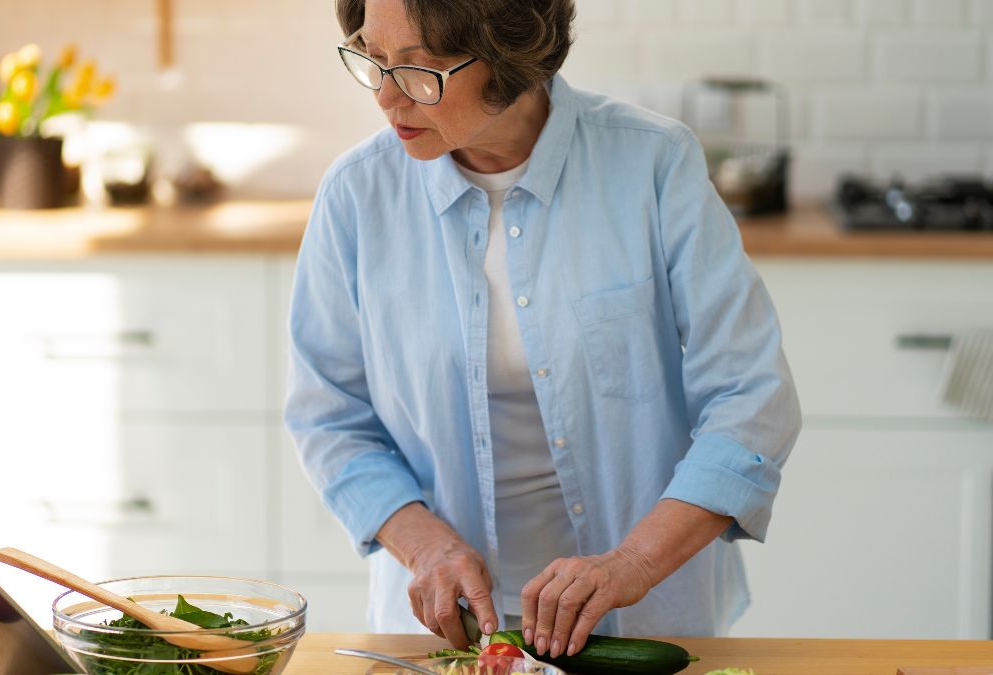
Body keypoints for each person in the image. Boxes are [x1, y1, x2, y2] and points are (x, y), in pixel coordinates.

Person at [285, 0, 801, 659]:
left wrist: (632, 562)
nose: (387, 96)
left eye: (420, 70)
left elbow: (751, 398)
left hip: (644, 623)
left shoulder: (652, 165)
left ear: (508, 56)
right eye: (373, 59)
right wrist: (427, 546)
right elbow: (330, 418)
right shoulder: (357, 195)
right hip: (443, 631)